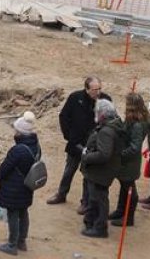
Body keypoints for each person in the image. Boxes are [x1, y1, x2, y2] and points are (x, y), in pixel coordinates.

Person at [47, 76, 111, 211]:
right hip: (76, 143)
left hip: (93, 145)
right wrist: (68, 136)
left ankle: (85, 202)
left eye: (99, 89)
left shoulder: (105, 100)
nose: (98, 92)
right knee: (69, 170)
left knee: (88, 174)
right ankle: (61, 194)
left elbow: (109, 120)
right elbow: (64, 116)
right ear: (87, 89)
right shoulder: (75, 98)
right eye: (94, 89)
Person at [0, 112, 40, 256]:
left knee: (13, 214)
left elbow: (5, 168)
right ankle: (22, 241)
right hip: (27, 185)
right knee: (23, 212)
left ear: (20, 132)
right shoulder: (36, 145)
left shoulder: (18, 150)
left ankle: (12, 244)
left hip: (14, 187)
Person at [80, 98, 125, 238]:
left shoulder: (106, 131)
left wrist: (87, 156)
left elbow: (104, 154)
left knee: (98, 199)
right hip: (104, 170)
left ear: (102, 114)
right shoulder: (114, 125)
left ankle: (100, 228)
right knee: (97, 198)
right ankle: (92, 222)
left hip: (101, 171)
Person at [111, 93, 148, 227]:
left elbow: (135, 147)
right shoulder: (133, 119)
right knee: (124, 187)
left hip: (129, 162)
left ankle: (128, 218)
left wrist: (120, 155)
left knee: (129, 189)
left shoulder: (137, 125)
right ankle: (120, 211)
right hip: (127, 161)